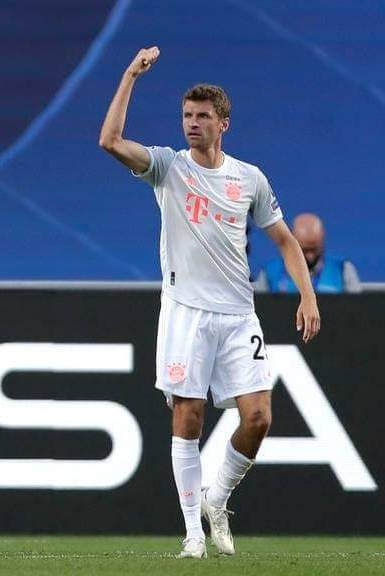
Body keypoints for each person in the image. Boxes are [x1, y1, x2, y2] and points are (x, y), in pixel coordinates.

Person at [99, 47, 321, 559]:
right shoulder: (168, 168)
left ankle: (216, 497)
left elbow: (285, 241)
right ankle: (193, 535)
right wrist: (130, 75)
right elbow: (109, 140)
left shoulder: (249, 179)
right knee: (189, 416)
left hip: (239, 314)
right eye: (186, 115)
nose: (192, 124)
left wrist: (307, 295)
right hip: (186, 312)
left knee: (259, 417)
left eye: (202, 116)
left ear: (224, 123)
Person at [255, 213, 361, 293]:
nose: (310, 256)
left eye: (314, 249)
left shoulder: (342, 270)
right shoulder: (270, 272)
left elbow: (357, 310)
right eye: (304, 250)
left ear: (322, 243)